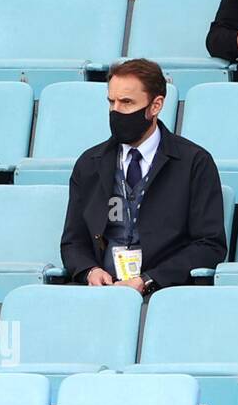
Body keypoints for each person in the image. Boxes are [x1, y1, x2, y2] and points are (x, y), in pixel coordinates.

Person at [60, 59, 227, 292]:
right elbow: (73, 241)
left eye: (127, 102)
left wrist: (148, 279)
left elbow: (209, 245)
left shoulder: (194, 162)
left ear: (156, 105)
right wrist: (90, 270)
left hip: (167, 293)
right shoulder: (89, 163)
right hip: (101, 294)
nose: (116, 111)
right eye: (111, 102)